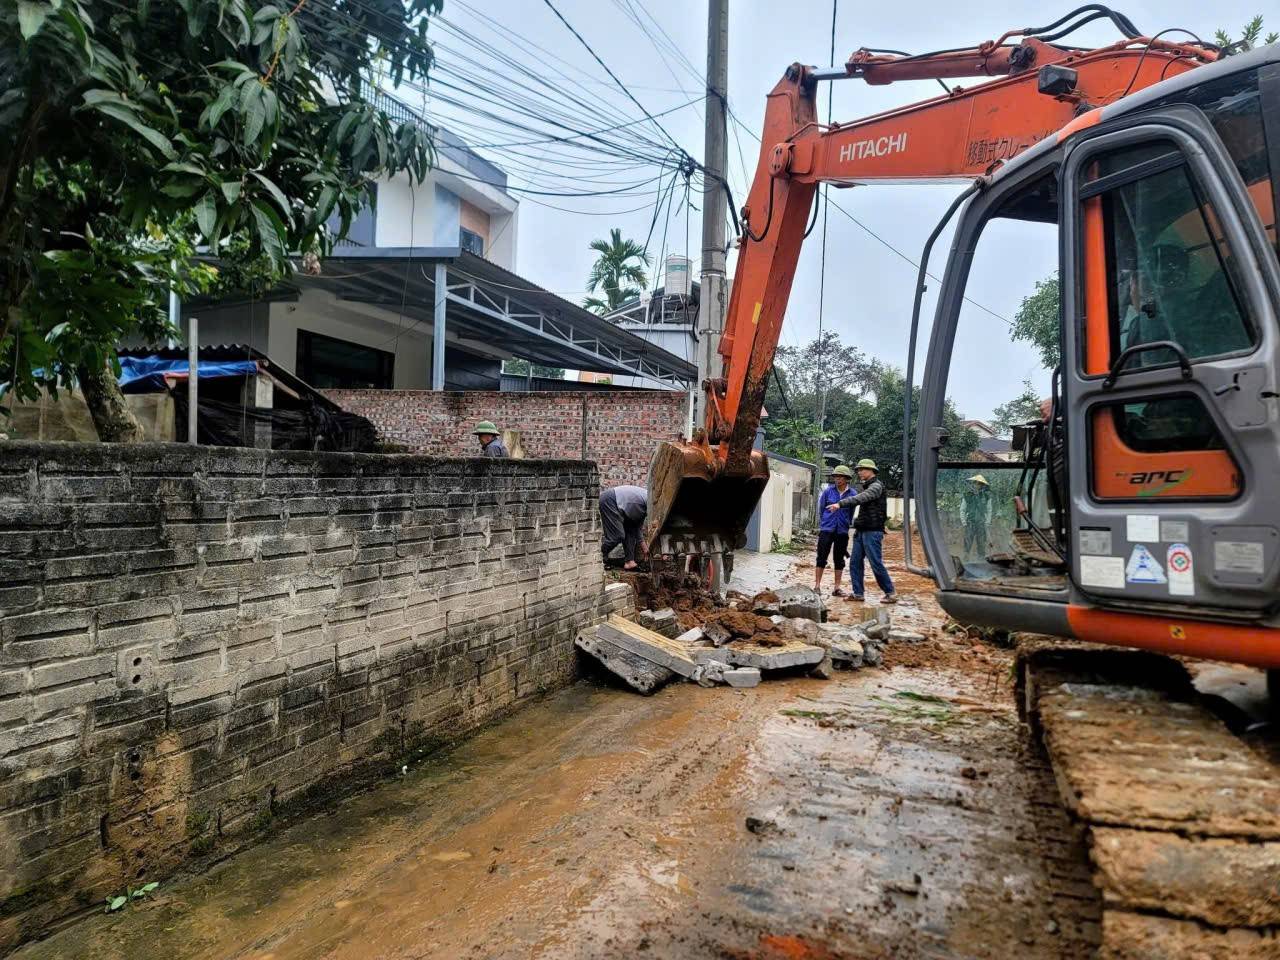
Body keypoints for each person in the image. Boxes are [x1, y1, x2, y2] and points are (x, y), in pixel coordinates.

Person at [837, 458, 896, 604]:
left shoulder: (876, 487)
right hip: (862, 530)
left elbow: (861, 498)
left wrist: (840, 503)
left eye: (862, 469)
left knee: (875, 562)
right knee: (855, 562)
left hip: (873, 531)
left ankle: (890, 592)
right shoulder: (869, 486)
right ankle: (858, 593)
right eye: (858, 469)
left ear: (871, 471)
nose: (859, 472)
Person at [814, 465, 855, 596]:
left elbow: (851, 512)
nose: (837, 479)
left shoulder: (852, 494)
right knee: (821, 557)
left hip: (842, 530)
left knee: (839, 559)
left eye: (840, 477)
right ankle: (817, 586)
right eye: (836, 477)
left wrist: (846, 523)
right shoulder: (828, 492)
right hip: (827, 528)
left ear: (847, 479)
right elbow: (821, 509)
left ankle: (837, 588)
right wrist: (825, 522)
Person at [600, 484, 647, 570]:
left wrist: (643, 545)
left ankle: (629, 562)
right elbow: (637, 526)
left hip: (618, 501)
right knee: (617, 536)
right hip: (610, 500)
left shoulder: (647, 502)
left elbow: (634, 526)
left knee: (630, 530)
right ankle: (599, 556)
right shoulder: (645, 503)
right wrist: (644, 547)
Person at [962, 474, 992, 558]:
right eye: (976, 483)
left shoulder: (986, 496)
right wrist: (964, 522)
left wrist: (987, 522)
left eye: (979, 483)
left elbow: (989, 510)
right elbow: (962, 509)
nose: (977, 485)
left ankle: (981, 558)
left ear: (982, 485)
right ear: (973, 483)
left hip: (981, 522)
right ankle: (966, 557)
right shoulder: (967, 495)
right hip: (970, 522)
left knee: (981, 542)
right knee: (967, 541)